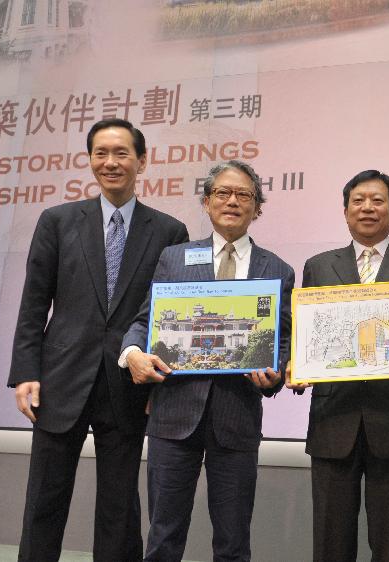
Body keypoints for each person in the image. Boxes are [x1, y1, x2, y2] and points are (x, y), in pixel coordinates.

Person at [7, 118, 189, 561]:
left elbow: (170, 316)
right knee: (44, 502)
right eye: (100, 153)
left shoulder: (169, 231)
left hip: (128, 384)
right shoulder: (57, 221)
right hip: (60, 379)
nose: (110, 163)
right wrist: (26, 372)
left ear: (142, 161)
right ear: (89, 160)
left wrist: (161, 383)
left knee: (119, 508)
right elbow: (34, 303)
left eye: (121, 153)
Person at [120, 160, 294, 562]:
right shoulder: (174, 257)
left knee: (233, 542)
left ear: (258, 207)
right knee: (163, 536)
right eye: (222, 193)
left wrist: (276, 373)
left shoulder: (278, 270)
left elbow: (282, 338)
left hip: (237, 417)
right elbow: (145, 321)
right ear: (206, 202)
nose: (232, 201)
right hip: (173, 416)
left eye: (244, 195)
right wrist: (131, 355)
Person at [286, 169, 389, 562]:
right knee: (330, 542)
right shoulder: (319, 266)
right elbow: (306, 335)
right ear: (345, 211)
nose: (368, 208)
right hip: (332, 418)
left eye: (378, 201)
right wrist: (297, 363)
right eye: (358, 201)